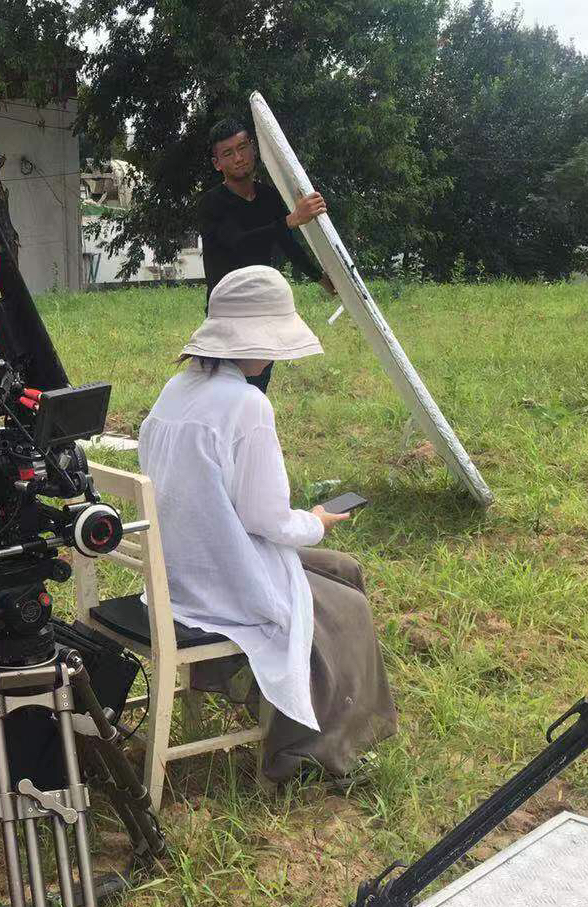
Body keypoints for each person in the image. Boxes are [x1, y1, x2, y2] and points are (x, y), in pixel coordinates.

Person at [138, 266, 397, 785]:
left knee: (343, 570)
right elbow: (268, 519)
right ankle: (307, 754)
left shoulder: (177, 389)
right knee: (349, 610)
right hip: (222, 580)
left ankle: (299, 710)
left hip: (180, 571)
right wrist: (317, 521)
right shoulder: (247, 404)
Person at [198, 117, 334, 394]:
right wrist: (291, 220)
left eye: (242, 147)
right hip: (228, 315)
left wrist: (321, 279)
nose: (239, 158)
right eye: (228, 153)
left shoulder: (269, 197)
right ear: (217, 163)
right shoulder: (211, 204)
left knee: (256, 390)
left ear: (253, 148)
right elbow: (238, 242)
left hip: (264, 311)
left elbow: (288, 244)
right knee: (225, 391)